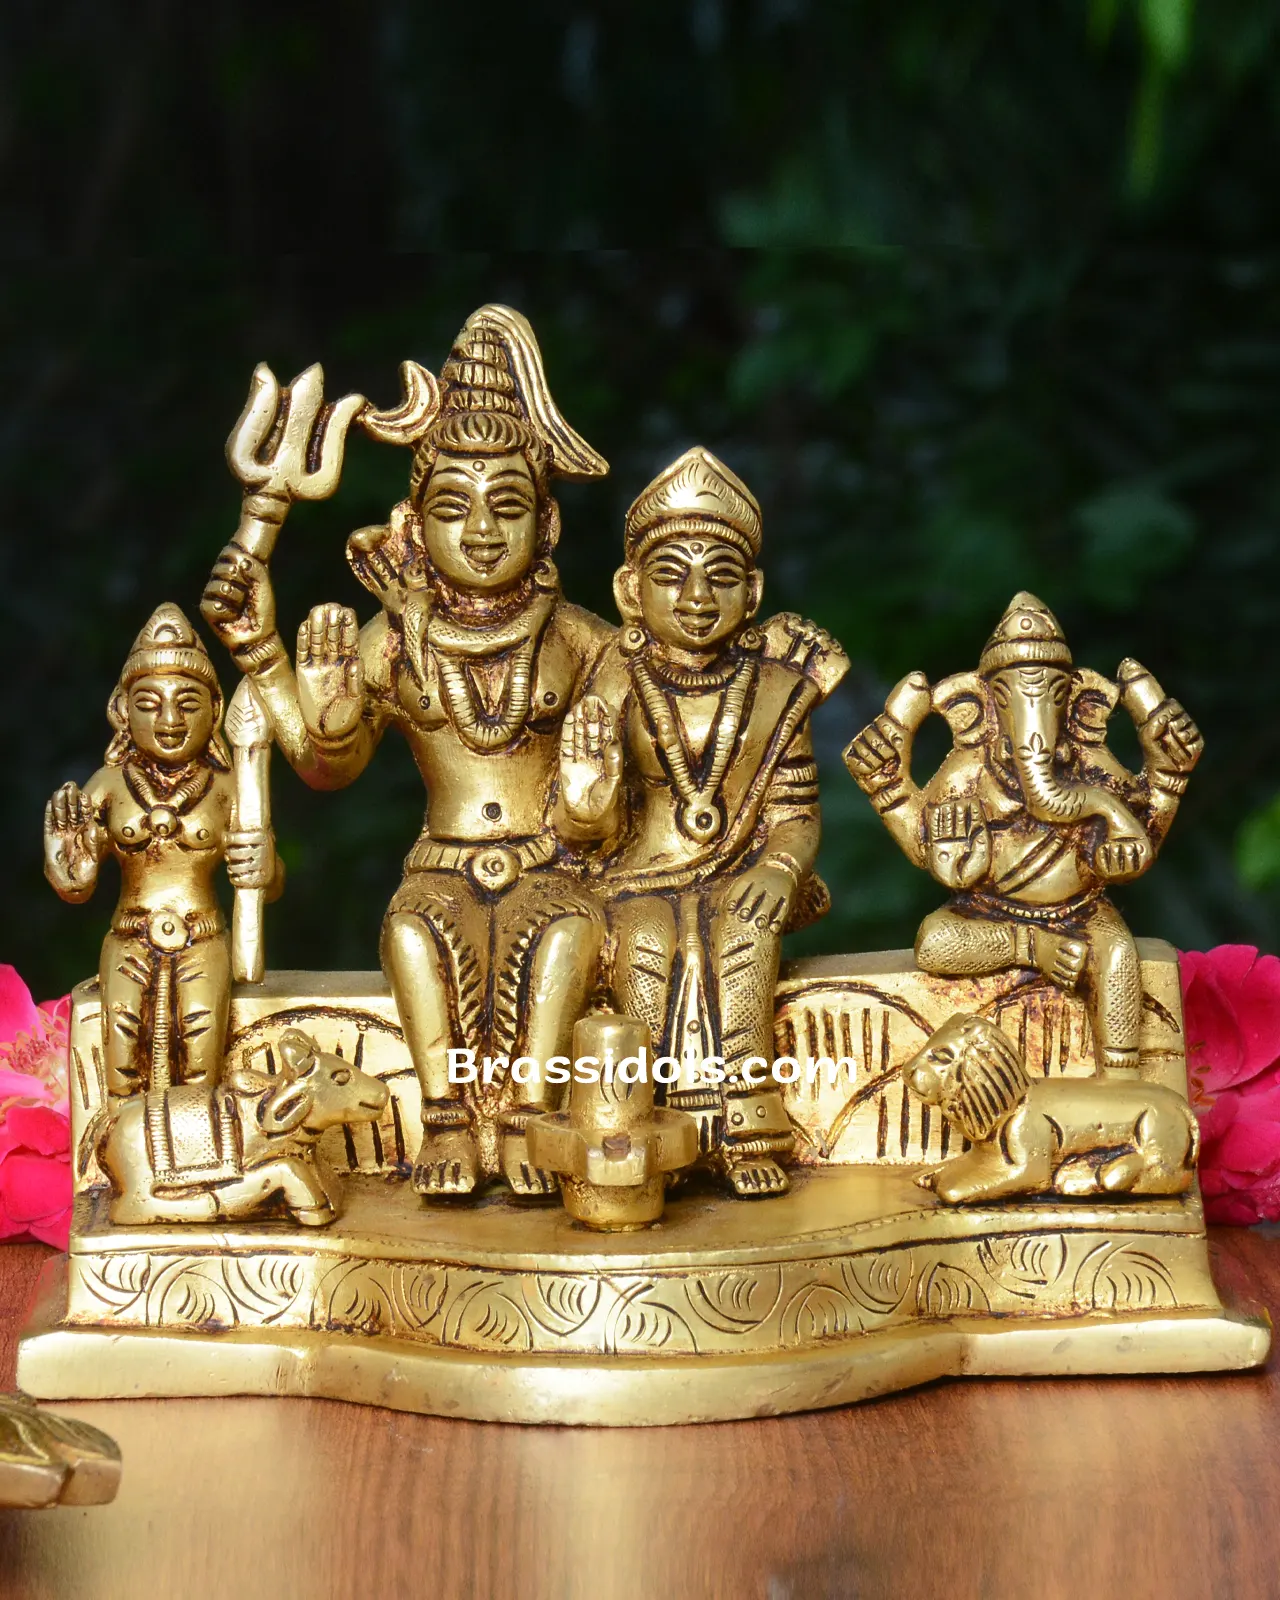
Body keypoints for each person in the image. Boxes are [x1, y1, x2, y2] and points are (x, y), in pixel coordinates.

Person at [201, 306, 613, 1198]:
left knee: (569, 938)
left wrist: (592, 801)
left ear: (547, 526)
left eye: (509, 506)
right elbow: (326, 765)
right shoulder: (389, 638)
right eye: (453, 508)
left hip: (553, 862)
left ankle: (534, 1117)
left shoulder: (582, 641)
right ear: (413, 524)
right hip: (442, 863)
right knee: (411, 938)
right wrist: (266, 657)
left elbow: (633, 778)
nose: (482, 530)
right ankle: (447, 1119)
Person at [558, 448, 848, 1196]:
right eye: (670, 575)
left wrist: (780, 867)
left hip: (740, 873)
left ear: (753, 593)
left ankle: (748, 1130)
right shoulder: (615, 678)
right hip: (635, 875)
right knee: (645, 945)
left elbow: (795, 813)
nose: (695, 597)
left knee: (745, 937)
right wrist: (587, 798)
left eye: (720, 576)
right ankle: (641, 1125)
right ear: (630, 590)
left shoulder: (778, 690)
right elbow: (581, 826)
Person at [44, 604, 280, 1097]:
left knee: (202, 1050)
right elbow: (77, 885)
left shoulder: (229, 787)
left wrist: (263, 865)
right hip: (130, 935)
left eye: (188, 704)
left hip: (203, 935)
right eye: (149, 704)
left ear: (215, 711)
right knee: (121, 1048)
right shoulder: (109, 785)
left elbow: (272, 881)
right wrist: (66, 864)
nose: (170, 720)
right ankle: (122, 1141)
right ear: (122, 712)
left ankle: (195, 1140)